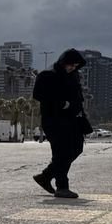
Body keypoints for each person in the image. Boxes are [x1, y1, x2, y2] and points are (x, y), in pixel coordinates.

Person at [32, 49, 92, 198]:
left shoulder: (73, 75)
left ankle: (45, 176)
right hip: (55, 121)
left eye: (75, 66)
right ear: (63, 62)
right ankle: (62, 187)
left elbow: (77, 97)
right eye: (70, 65)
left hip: (73, 120)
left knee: (77, 148)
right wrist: (62, 104)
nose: (72, 68)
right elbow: (38, 94)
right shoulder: (47, 75)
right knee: (61, 152)